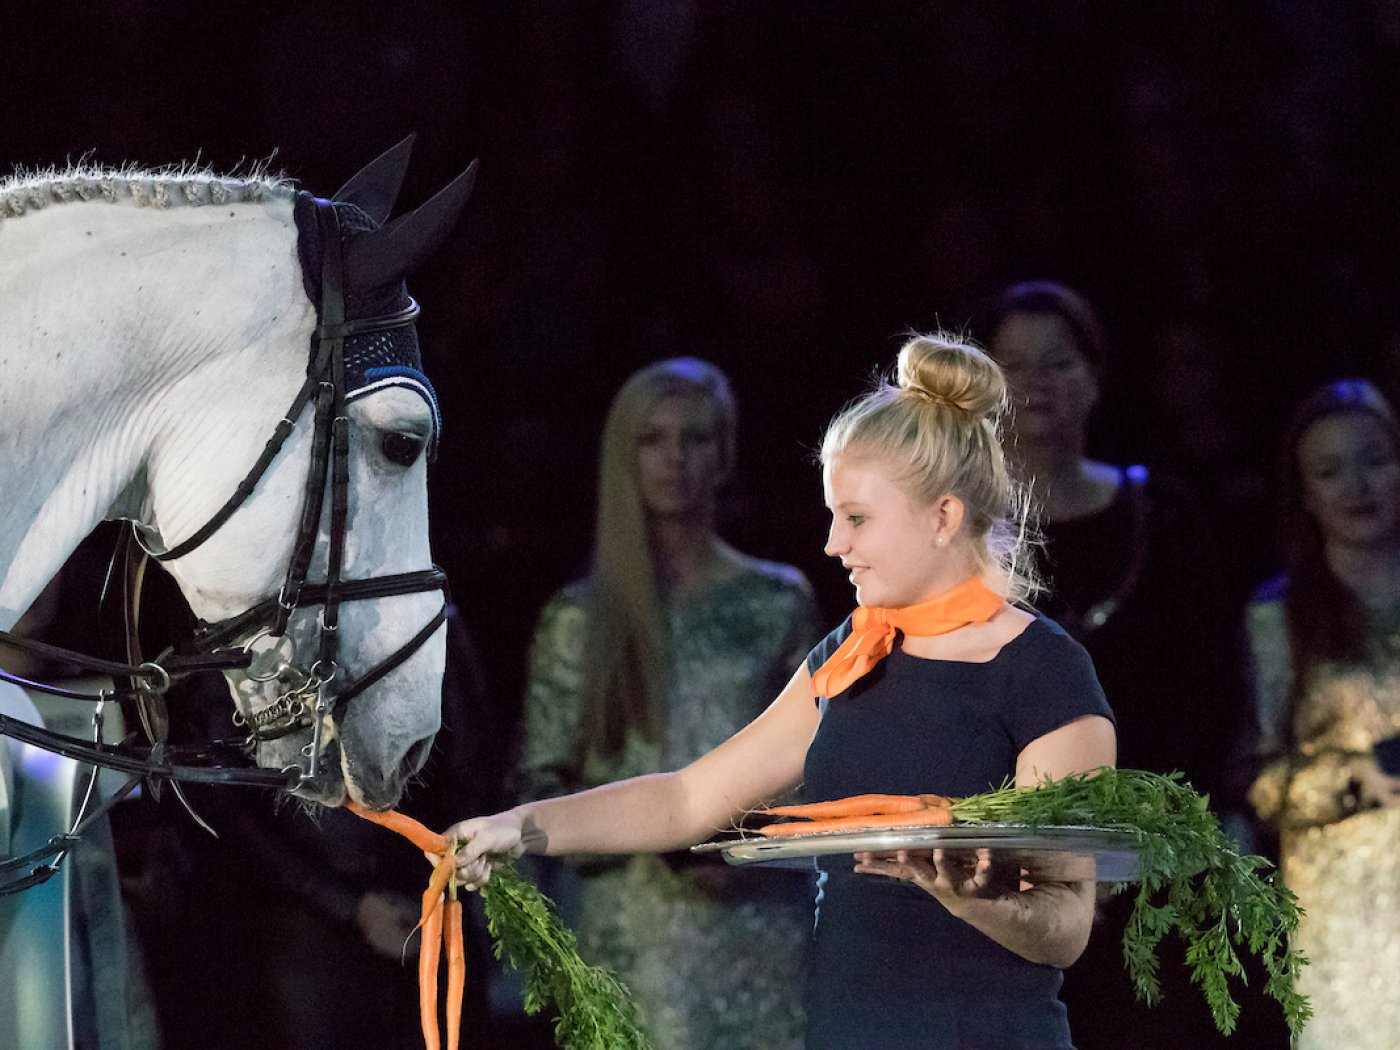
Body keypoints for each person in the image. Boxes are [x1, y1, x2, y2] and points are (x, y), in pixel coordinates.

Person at [450, 335, 1117, 1050]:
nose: (834, 544)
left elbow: (1065, 926)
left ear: (944, 517)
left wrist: (959, 889)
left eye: (856, 518)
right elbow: (685, 799)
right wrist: (522, 825)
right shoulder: (850, 655)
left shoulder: (1045, 670)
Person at [974, 280, 1273, 1047]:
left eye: (1058, 362)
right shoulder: (950, 534)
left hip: (1160, 878)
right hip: (1005, 886)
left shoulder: (1165, 517)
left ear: (1096, 377)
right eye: (1014, 365)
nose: (1038, 384)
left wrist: (1120, 854)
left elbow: (1209, 702)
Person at [510, 357, 820, 1049]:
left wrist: (755, 840)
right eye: (653, 440)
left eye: (695, 438)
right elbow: (539, 776)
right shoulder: (578, 619)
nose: (675, 459)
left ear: (725, 452)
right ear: (625, 455)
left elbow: (815, 763)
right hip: (630, 928)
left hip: (759, 924)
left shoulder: (777, 602)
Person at [1247, 378, 1400, 1050]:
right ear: (1306, 494)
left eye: (1374, 461)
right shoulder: (1278, 618)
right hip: (1347, 914)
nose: (1357, 486)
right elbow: (1256, 781)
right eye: (1330, 472)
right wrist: (1350, 778)